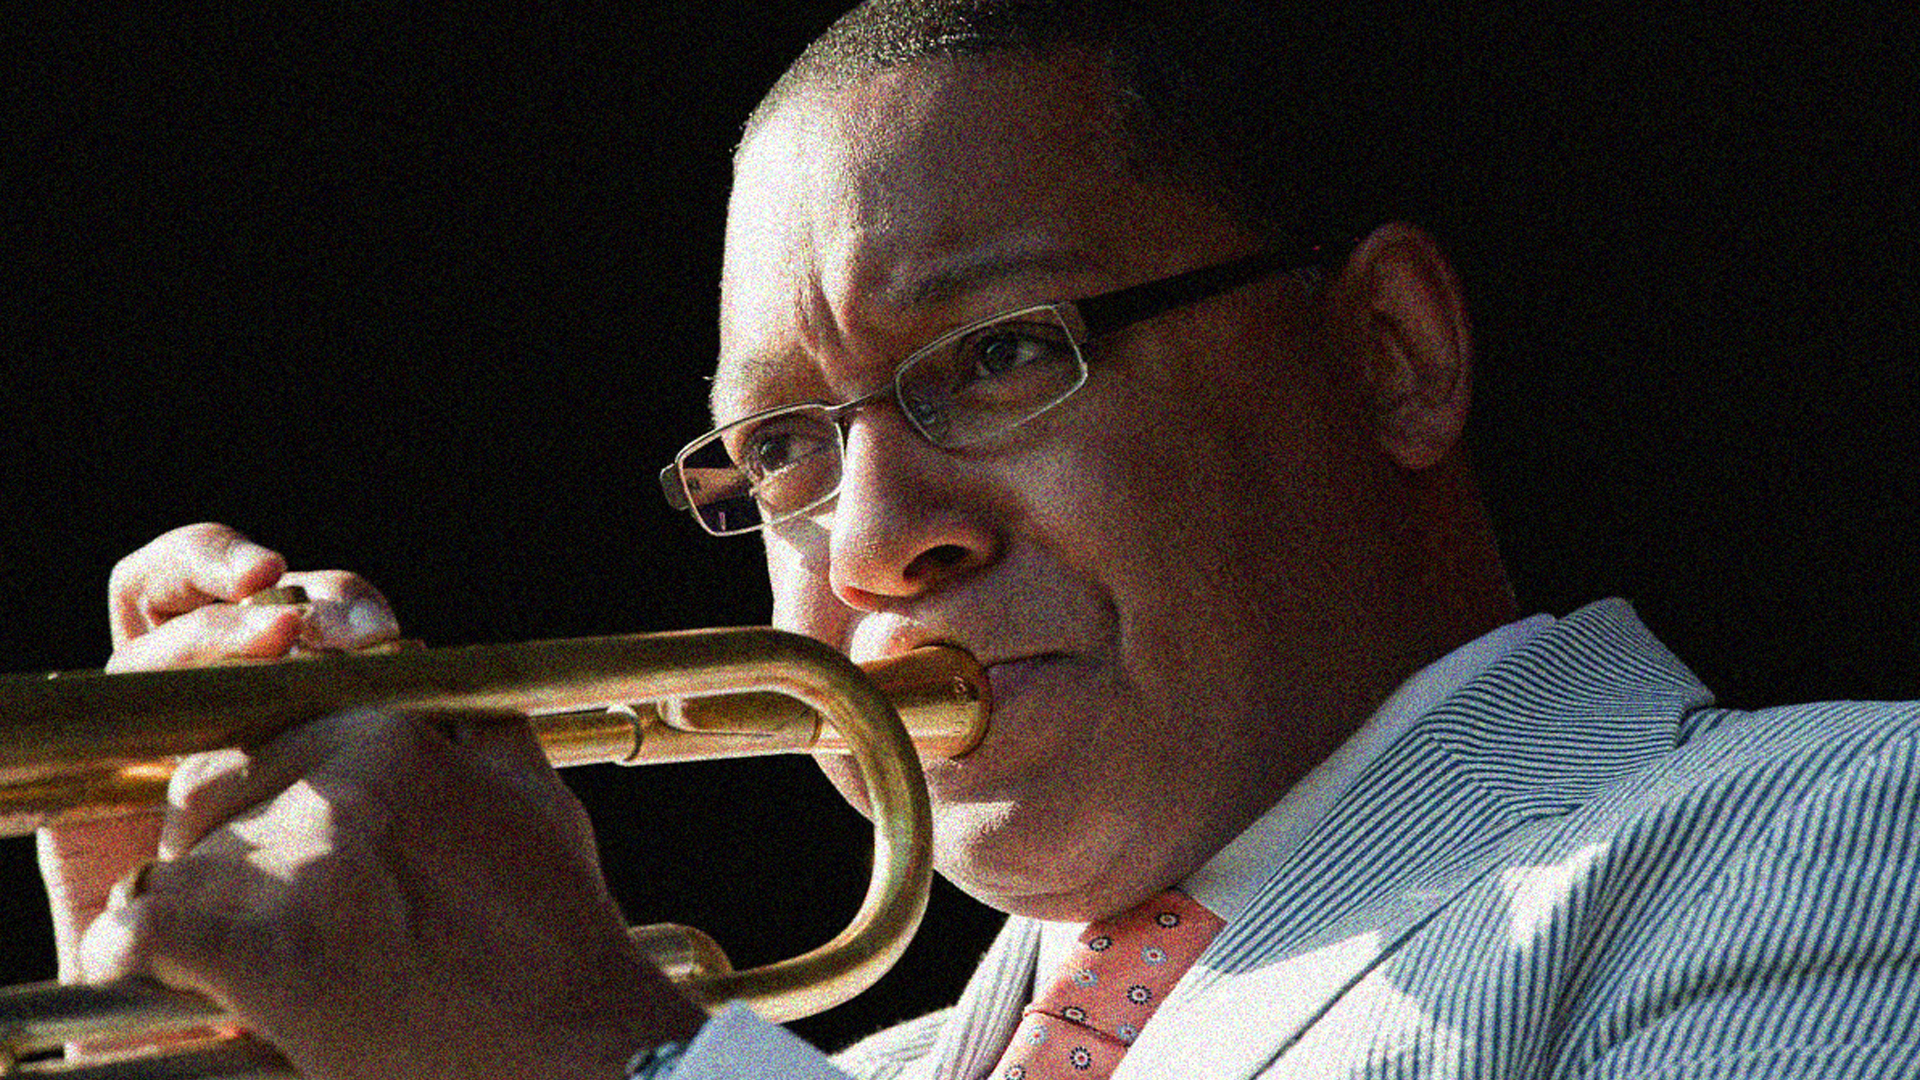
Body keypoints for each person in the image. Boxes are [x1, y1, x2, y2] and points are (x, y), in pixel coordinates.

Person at [37, 1, 1920, 1077]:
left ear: (1389, 356)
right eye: (779, 445)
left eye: (1002, 356)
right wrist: (199, 1034)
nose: (873, 538)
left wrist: (593, 1050)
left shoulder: (1832, 829)